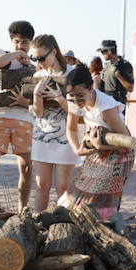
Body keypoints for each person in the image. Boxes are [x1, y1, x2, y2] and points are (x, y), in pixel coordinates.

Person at [59, 65, 134, 219]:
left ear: (91, 87)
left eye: (80, 96)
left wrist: (101, 145)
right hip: (98, 149)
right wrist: (77, 149)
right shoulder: (73, 100)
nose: (76, 101)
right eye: (71, 96)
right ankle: (76, 221)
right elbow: (71, 129)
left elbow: (128, 141)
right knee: (80, 187)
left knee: (102, 195)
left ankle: (105, 226)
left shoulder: (106, 108)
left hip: (120, 154)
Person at [0, 20, 35, 210]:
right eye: (17, 41)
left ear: (31, 43)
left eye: (25, 43)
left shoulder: (34, 64)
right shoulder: (1, 53)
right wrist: (18, 55)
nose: (21, 46)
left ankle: (22, 209)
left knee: (26, 167)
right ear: (12, 40)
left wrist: (24, 101)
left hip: (24, 118)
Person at [28, 33, 79, 210]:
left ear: (53, 52)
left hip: (65, 138)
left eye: (41, 57)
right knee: (41, 185)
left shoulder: (72, 74)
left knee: (63, 188)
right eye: (33, 58)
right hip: (42, 136)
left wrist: (59, 98)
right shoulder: (38, 76)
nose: (38, 62)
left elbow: (77, 113)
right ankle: (37, 223)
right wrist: (36, 95)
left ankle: (64, 225)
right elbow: (39, 113)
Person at [97, 39, 134, 109]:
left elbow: (130, 87)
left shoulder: (124, 65)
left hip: (118, 105)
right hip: (105, 104)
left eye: (103, 52)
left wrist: (118, 75)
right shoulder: (107, 66)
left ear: (109, 51)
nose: (102, 54)